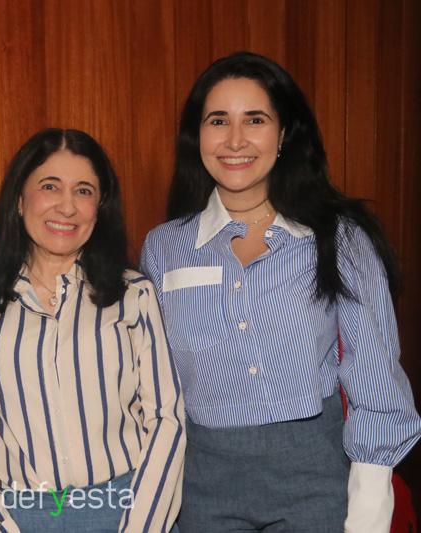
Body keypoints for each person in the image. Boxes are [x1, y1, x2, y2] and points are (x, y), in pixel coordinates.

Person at [140, 51, 421, 533]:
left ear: (284, 134)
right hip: (201, 482)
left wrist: (368, 511)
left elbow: (374, 375)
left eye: (255, 119)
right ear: (196, 135)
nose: (235, 140)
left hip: (316, 477)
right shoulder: (164, 247)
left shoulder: (340, 238)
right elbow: (152, 382)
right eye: (217, 120)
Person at [0, 128, 184, 532]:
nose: (67, 206)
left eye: (84, 191)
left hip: (126, 510)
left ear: (100, 207)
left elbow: (166, 418)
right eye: (50, 186)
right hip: (19, 517)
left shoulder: (134, 294)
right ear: (19, 200)